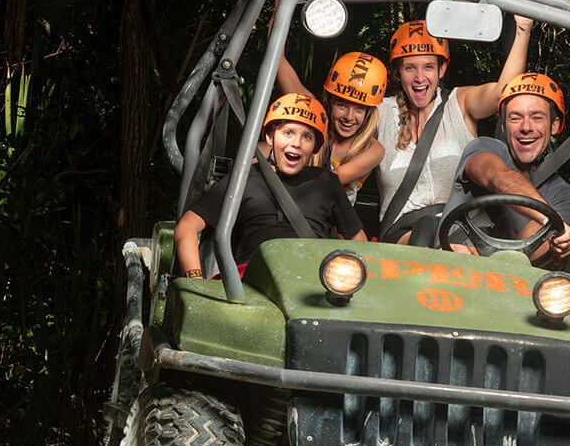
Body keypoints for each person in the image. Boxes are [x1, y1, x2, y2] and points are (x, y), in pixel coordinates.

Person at [376, 16, 535, 242]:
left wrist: (522, 29)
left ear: (441, 69)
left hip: (462, 230)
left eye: (428, 67)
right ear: (397, 73)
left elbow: (503, 93)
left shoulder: (458, 103)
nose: (419, 78)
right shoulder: (382, 112)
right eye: (410, 68)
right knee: (425, 234)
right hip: (404, 236)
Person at [176, 93, 365, 279]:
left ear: (315, 147)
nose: (297, 143)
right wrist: (196, 279)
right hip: (255, 281)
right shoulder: (243, 180)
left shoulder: (325, 182)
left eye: (307, 137)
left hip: (312, 278)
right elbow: (187, 227)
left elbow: (361, 244)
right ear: (269, 136)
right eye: (288, 133)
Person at [438, 72, 570, 265]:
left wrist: (558, 232)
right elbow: (499, 179)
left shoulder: (566, 199)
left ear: (554, 125)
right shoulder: (484, 147)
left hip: (505, 279)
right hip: (445, 267)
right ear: (504, 126)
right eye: (515, 118)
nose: (526, 127)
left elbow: (523, 255)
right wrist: (551, 219)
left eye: (537, 117)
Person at [275, 51, 388, 204]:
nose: (349, 117)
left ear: (369, 112)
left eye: (360, 109)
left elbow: (328, 181)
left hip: (327, 219)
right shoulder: (316, 118)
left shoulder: (373, 150)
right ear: (329, 101)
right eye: (341, 105)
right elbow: (278, 61)